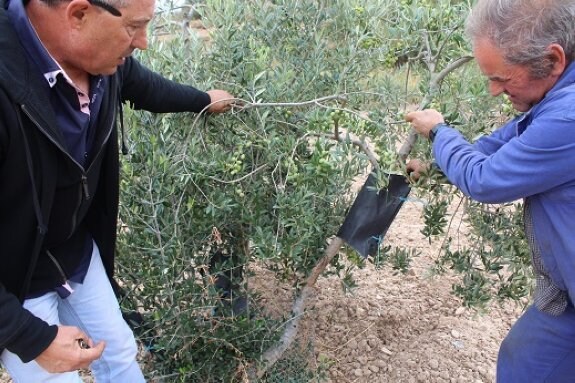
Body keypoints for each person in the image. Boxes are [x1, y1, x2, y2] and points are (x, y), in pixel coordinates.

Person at [0, 0, 235, 381]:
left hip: (74, 252)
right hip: (15, 279)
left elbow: (143, 87)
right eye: (133, 27)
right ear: (78, 14)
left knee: (120, 354)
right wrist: (32, 338)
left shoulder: (101, 63)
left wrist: (203, 100)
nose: (142, 42)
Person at [405, 0, 575, 381]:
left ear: (553, 59)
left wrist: (438, 131)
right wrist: (439, 168)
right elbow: (505, 143)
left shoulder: (569, 116)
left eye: (503, 78)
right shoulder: (555, 99)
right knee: (525, 361)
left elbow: (485, 180)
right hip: (567, 299)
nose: (494, 91)